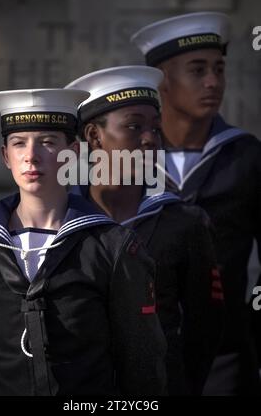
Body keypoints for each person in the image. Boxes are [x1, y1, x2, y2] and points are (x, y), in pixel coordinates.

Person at [0, 88, 167, 396]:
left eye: (47, 142)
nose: (31, 156)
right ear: (6, 156)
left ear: (73, 153)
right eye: (19, 143)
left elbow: (140, 361)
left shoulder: (111, 246)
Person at [65, 66, 224, 395]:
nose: (151, 138)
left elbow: (205, 327)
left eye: (155, 127)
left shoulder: (183, 222)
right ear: (94, 136)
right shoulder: (60, 222)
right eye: (134, 127)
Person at [131, 11, 261, 395]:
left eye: (219, 69)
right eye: (198, 70)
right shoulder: (126, 162)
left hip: (226, 356)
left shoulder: (247, 157)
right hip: (143, 354)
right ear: (163, 82)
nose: (213, 82)